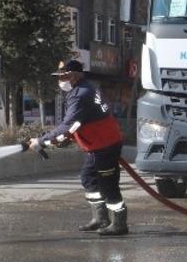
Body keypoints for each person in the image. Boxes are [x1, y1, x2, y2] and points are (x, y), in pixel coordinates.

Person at [30, 59, 128, 236]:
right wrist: (53, 139)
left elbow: (68, 125)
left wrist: (41, 141)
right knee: (89, 178)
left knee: (108, 184)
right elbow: (76, 124)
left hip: (105, 145)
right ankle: (100, 218)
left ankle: (119, 224)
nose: (60, 81)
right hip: (98, 144)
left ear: (74, 76)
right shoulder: (84, 89)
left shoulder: (80, 94)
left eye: (63, 77)